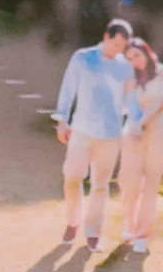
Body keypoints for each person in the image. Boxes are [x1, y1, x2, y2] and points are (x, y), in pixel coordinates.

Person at [53, 18, 133, 250]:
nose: (118, 50)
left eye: (123, 47)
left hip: (110, 134)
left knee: (100, 184)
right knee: (72, 177)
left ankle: (93, 232)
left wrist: (125, 117)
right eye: (116, 44)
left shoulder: (124, 67)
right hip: (81, 129)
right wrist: (61, 120)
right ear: (106, 37)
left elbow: (129, 101)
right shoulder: (83, 58)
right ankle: (72, 222)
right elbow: (68, 89)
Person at [116, 40, 163, 257]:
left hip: (158, 128)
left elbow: (160, 101)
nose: (135, 61)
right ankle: (128, 224)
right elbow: (123, 105)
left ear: (147, 53)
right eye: (130, 58)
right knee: (129, 182)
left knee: (151, 182)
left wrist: (142, 122)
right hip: (132, 131)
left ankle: (143, 235)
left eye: (137, 55)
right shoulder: (130, 79)